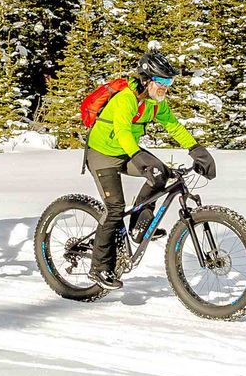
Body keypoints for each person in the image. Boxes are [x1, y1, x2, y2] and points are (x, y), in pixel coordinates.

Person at [84, 54, 213, 286]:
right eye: (161, 83)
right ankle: (99, 268)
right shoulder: (126, 99)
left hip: (125, 151)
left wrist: (196, 149)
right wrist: (139, 157)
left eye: (169, 83)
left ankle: (139, 225)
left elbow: (173, 125)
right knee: (115, 209)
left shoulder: (155, 104)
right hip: (102, 154)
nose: (165, 88)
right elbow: (122, 131)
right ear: (146, 80)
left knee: (160, 173)